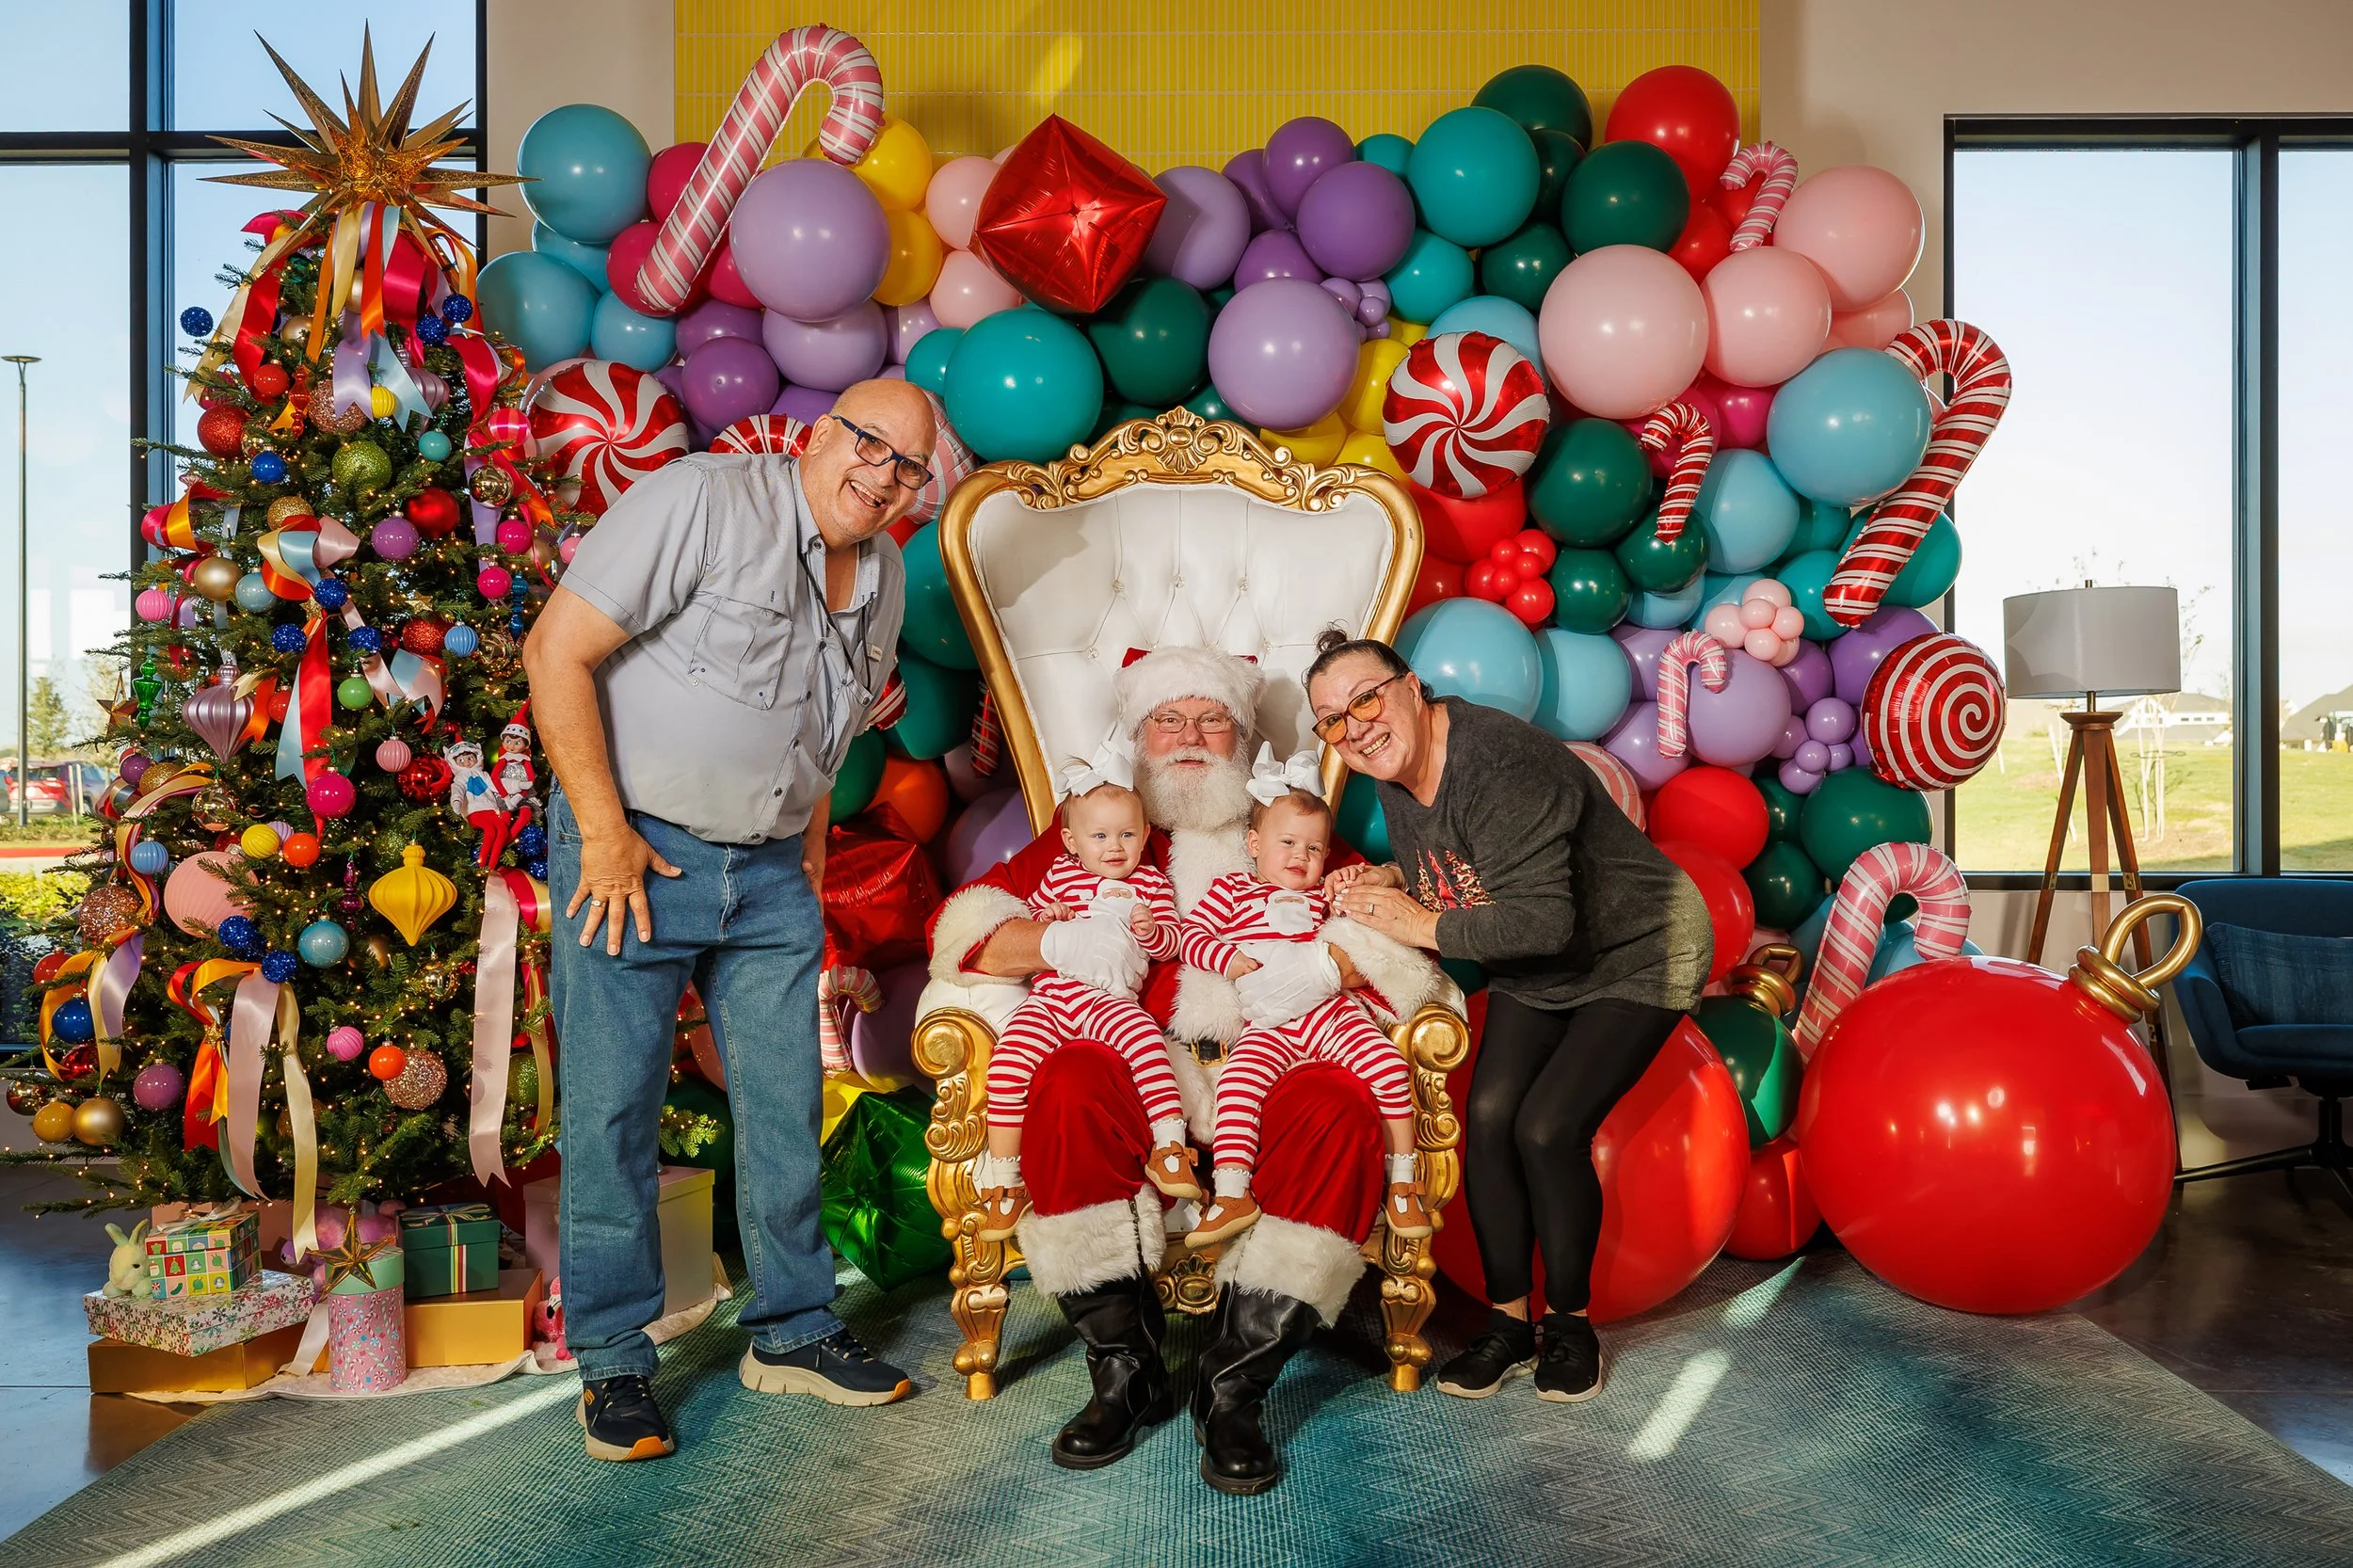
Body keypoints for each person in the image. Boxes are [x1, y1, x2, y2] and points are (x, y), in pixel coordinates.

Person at [524, 379, 937, 1463]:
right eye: (868, 444)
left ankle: (793, 1330)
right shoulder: (699, 499)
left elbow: (830, 724)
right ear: (817, 436)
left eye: (907, 466)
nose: (883, 476)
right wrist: (604, 833)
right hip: (635, 852)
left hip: (768, 872)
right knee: (613, 1110)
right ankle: (613, 1364)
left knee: (787, 1099)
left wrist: (804, 847)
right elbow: (553, 652)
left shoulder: (886, 570)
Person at [924, 645, 1442, 1494]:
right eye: (1169, 719)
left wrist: (1328, 967)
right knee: (1067, 1084)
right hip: (1141, 1065)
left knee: (1341, 1107)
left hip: (1275, 1061)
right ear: (1139, 734)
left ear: (1242, 740)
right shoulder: (1101, 828)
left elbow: (1391, 932)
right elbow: (965, 933)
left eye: (1213, 720)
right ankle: (1123, 1373)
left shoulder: (1292, 831)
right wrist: (1055, 940)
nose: (1191, 736)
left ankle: (1233, 1388)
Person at [1306, 628, 1711, 1406]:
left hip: (1637, 949)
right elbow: (1459, 871)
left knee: (1547, 1129)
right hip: (1536, 965)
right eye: (1332, 719)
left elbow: (1541, 922)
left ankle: (1569, 1327)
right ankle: (1506, 1324)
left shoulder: (1500, 762)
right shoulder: (1396, 765)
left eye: (1366, 699)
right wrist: (1391, 877)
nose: (1354, 726)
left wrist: (1410, 924)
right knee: (1488, 1117)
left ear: (1413, 688)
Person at [1176, 757, 1431, 1249]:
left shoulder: (1323, 896)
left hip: (1327, 1011)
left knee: (1385, 1064)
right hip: (1266, 1023)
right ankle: (1232, 1192)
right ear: (1254, 845)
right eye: (1287, 843)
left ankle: (1402, 1178)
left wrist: (1355, 886)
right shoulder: (1232, 890)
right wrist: (1225, 957)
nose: (1301, 855)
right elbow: (1191, 935)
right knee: (1238, 1083)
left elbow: (1365, 933)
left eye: (1314, 848)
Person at [974, 772, 1193, 1243]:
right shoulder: (1060, 875)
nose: (1114, 847)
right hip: (1052, 998)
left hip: (1109, 1000)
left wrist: (1150, 930)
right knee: (1008, 1064)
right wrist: (1050, 918)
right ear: (1071, 842)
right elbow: (1034, 913)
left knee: (1146, 1044)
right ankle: (1006, 1183)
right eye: (1099, 836)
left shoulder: (1151, 884)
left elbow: (1171, 942)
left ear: (1146, 834)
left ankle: (1170, 1147)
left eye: (1127, 834)